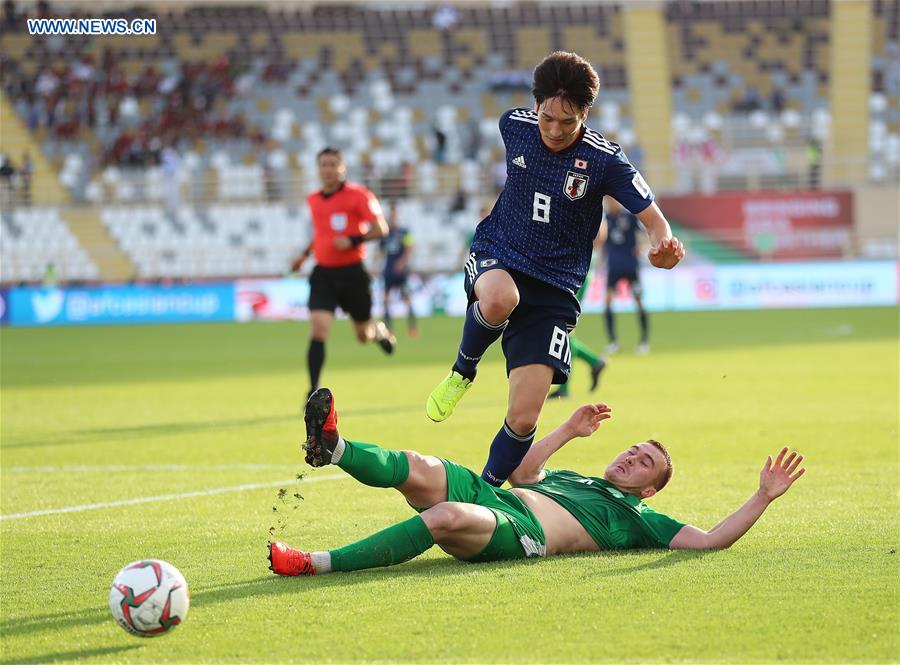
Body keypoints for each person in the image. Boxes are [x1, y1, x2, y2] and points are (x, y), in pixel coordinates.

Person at [425, 51, 685, 488]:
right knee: (500, 297)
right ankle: (462, 372)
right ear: (536, 106)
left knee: (524, 417)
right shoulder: (514, 125)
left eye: (568, 121)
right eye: (547, 118)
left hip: (555, 287)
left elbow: (654, 218)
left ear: (586, 114)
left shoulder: (605, 160)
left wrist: (664, 246)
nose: (555, 130)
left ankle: (484, 495)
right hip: (499, 252)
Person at [267, 388, 805, 576]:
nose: (630, 458)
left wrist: (762, 496)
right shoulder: (575, 477)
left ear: (649, 490)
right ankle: (334, 448)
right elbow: (524, 472)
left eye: (644, 464)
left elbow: (710, 540)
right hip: (497, 497)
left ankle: (316, 562)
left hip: (522, 533)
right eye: (632, 449)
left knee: (445, 516)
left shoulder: (639, 519)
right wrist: (568, 429)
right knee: (416, 465)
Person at [290, 147, 396, 400]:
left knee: (363, 336)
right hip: (324, 274)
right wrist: (304, 255)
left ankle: (378, 332)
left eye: (333, 164)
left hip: (353, 274)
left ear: (342, 168)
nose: (328, 169)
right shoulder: (313, 199)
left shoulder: (359, 195)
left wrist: (353, 240)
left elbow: (381, 229)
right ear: (318, 169)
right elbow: (321, 234)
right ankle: (313, 392)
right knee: (319, 330)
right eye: (323, 164)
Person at [548, 231, 605, 399]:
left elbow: (599, 236)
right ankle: (594, 362)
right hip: (576, 272)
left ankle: (565, 387)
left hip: (577, 274)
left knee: (564, 330)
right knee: (564, 331)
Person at [600, 197, 650, 355]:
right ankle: (613, 342)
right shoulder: (605, 219)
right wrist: (601, 263)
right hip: (614, 267)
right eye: (608, 201)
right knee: (608, 302)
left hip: (631, 266)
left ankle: (644, 341)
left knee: (639, 301)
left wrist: (641, 246)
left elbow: (645, 232)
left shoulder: (629, 216)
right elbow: (603, 243)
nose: (611, 203)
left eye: (613, 200)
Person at [378, 202, 417, 337]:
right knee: (385, 299)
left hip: (401, 272)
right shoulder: (384, 233)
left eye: (394, 215)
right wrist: (376, 265)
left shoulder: (404, 232)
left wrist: (403, 262)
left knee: (407, 298)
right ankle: (389, 328)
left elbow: (410, 247)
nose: (392, 217)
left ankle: (412, 327)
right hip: (388, 271)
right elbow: (380, 251)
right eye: (391, 215)